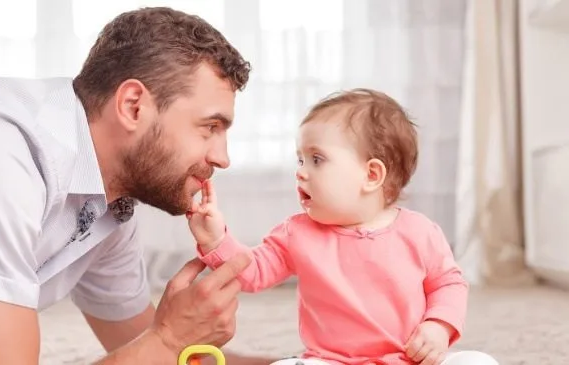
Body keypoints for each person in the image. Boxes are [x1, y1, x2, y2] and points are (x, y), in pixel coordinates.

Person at [0, 6, 276, 365]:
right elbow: (160, 346)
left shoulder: (106, 205)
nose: (223, 158)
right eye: (210, 127)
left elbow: (151, 345)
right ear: (133, 106)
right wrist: (168, 339)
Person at [186, 89, 501, 365]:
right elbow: (252, 271)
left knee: (478, 361)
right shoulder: (296, 233)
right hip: (332, 361)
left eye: (317, 159)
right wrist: (216, 240)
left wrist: (438, 325)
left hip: (411, 359)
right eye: (300, 160)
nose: (301, 172)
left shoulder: (420, 232)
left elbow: (449, 284)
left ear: (372, 175)